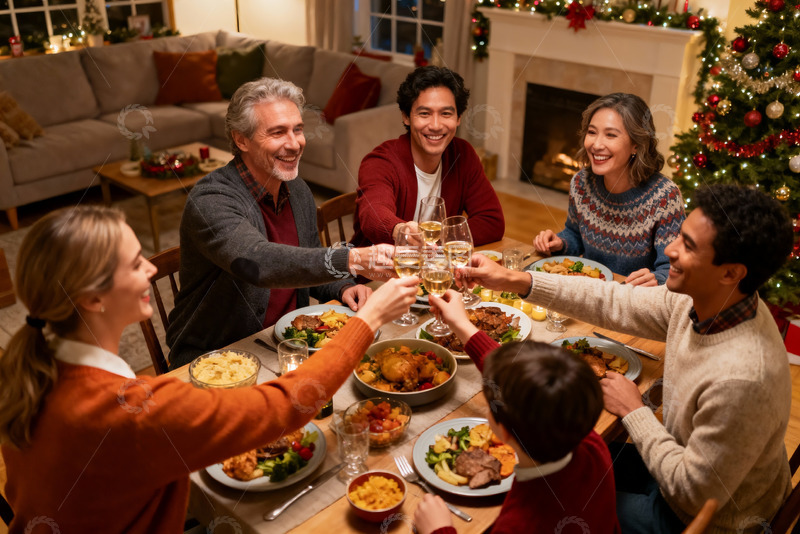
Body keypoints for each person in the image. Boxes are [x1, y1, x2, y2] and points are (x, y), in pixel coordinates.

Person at [0, 205, 418, 533]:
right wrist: (368, 321)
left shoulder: (34, 365)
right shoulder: (127, 408)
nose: (151, 268)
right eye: (133, 265)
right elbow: (284, 406)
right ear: (92, 299)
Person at [465, 184, 794, 532]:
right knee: (555, 460)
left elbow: (693, 493)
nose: (669, 250)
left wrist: (635, 412)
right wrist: (516, 279)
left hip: (701, 519)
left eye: (688, 246)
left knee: (548, 509)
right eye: (680, 236)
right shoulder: (709, 299)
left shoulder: (741, 379)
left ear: (731, 273)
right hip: (679, 464)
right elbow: (615, 301)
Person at [167, 78, 395, 368]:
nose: (294, 143)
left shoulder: (297, 189)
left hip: (286, 349)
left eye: (297, 129)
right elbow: (257, 262)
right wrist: (351, 259)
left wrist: (341, 287)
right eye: (277, 132)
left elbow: (307, 256)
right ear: (241, 140)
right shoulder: (211, 199)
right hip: (217, 359)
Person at [413, 290, 620, 534]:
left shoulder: (519, 523)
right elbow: (515, 376)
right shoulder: (588, 439)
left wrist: (439, 529)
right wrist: (461, 324)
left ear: (502, 432)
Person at [533, 93, 684, 287]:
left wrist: (659, 278)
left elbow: (672, 268)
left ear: (636, 145)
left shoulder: (665, 197)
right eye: (592, 132)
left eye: (611, 135)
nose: (596, 145)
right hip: (588, 290)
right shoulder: (581, 183)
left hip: (632, 298)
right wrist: (559, 242)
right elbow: (575, 234)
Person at [350, 66, 505, 248]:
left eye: (446, 113)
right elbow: (373, 216)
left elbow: (492, 221)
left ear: (458, 118)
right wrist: (402, 231)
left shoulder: (463, 155)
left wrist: (433, 240)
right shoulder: (380, 162)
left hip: (433, 271)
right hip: (376, 273)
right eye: (424, 113)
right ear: (406, 117)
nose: (436, 125)